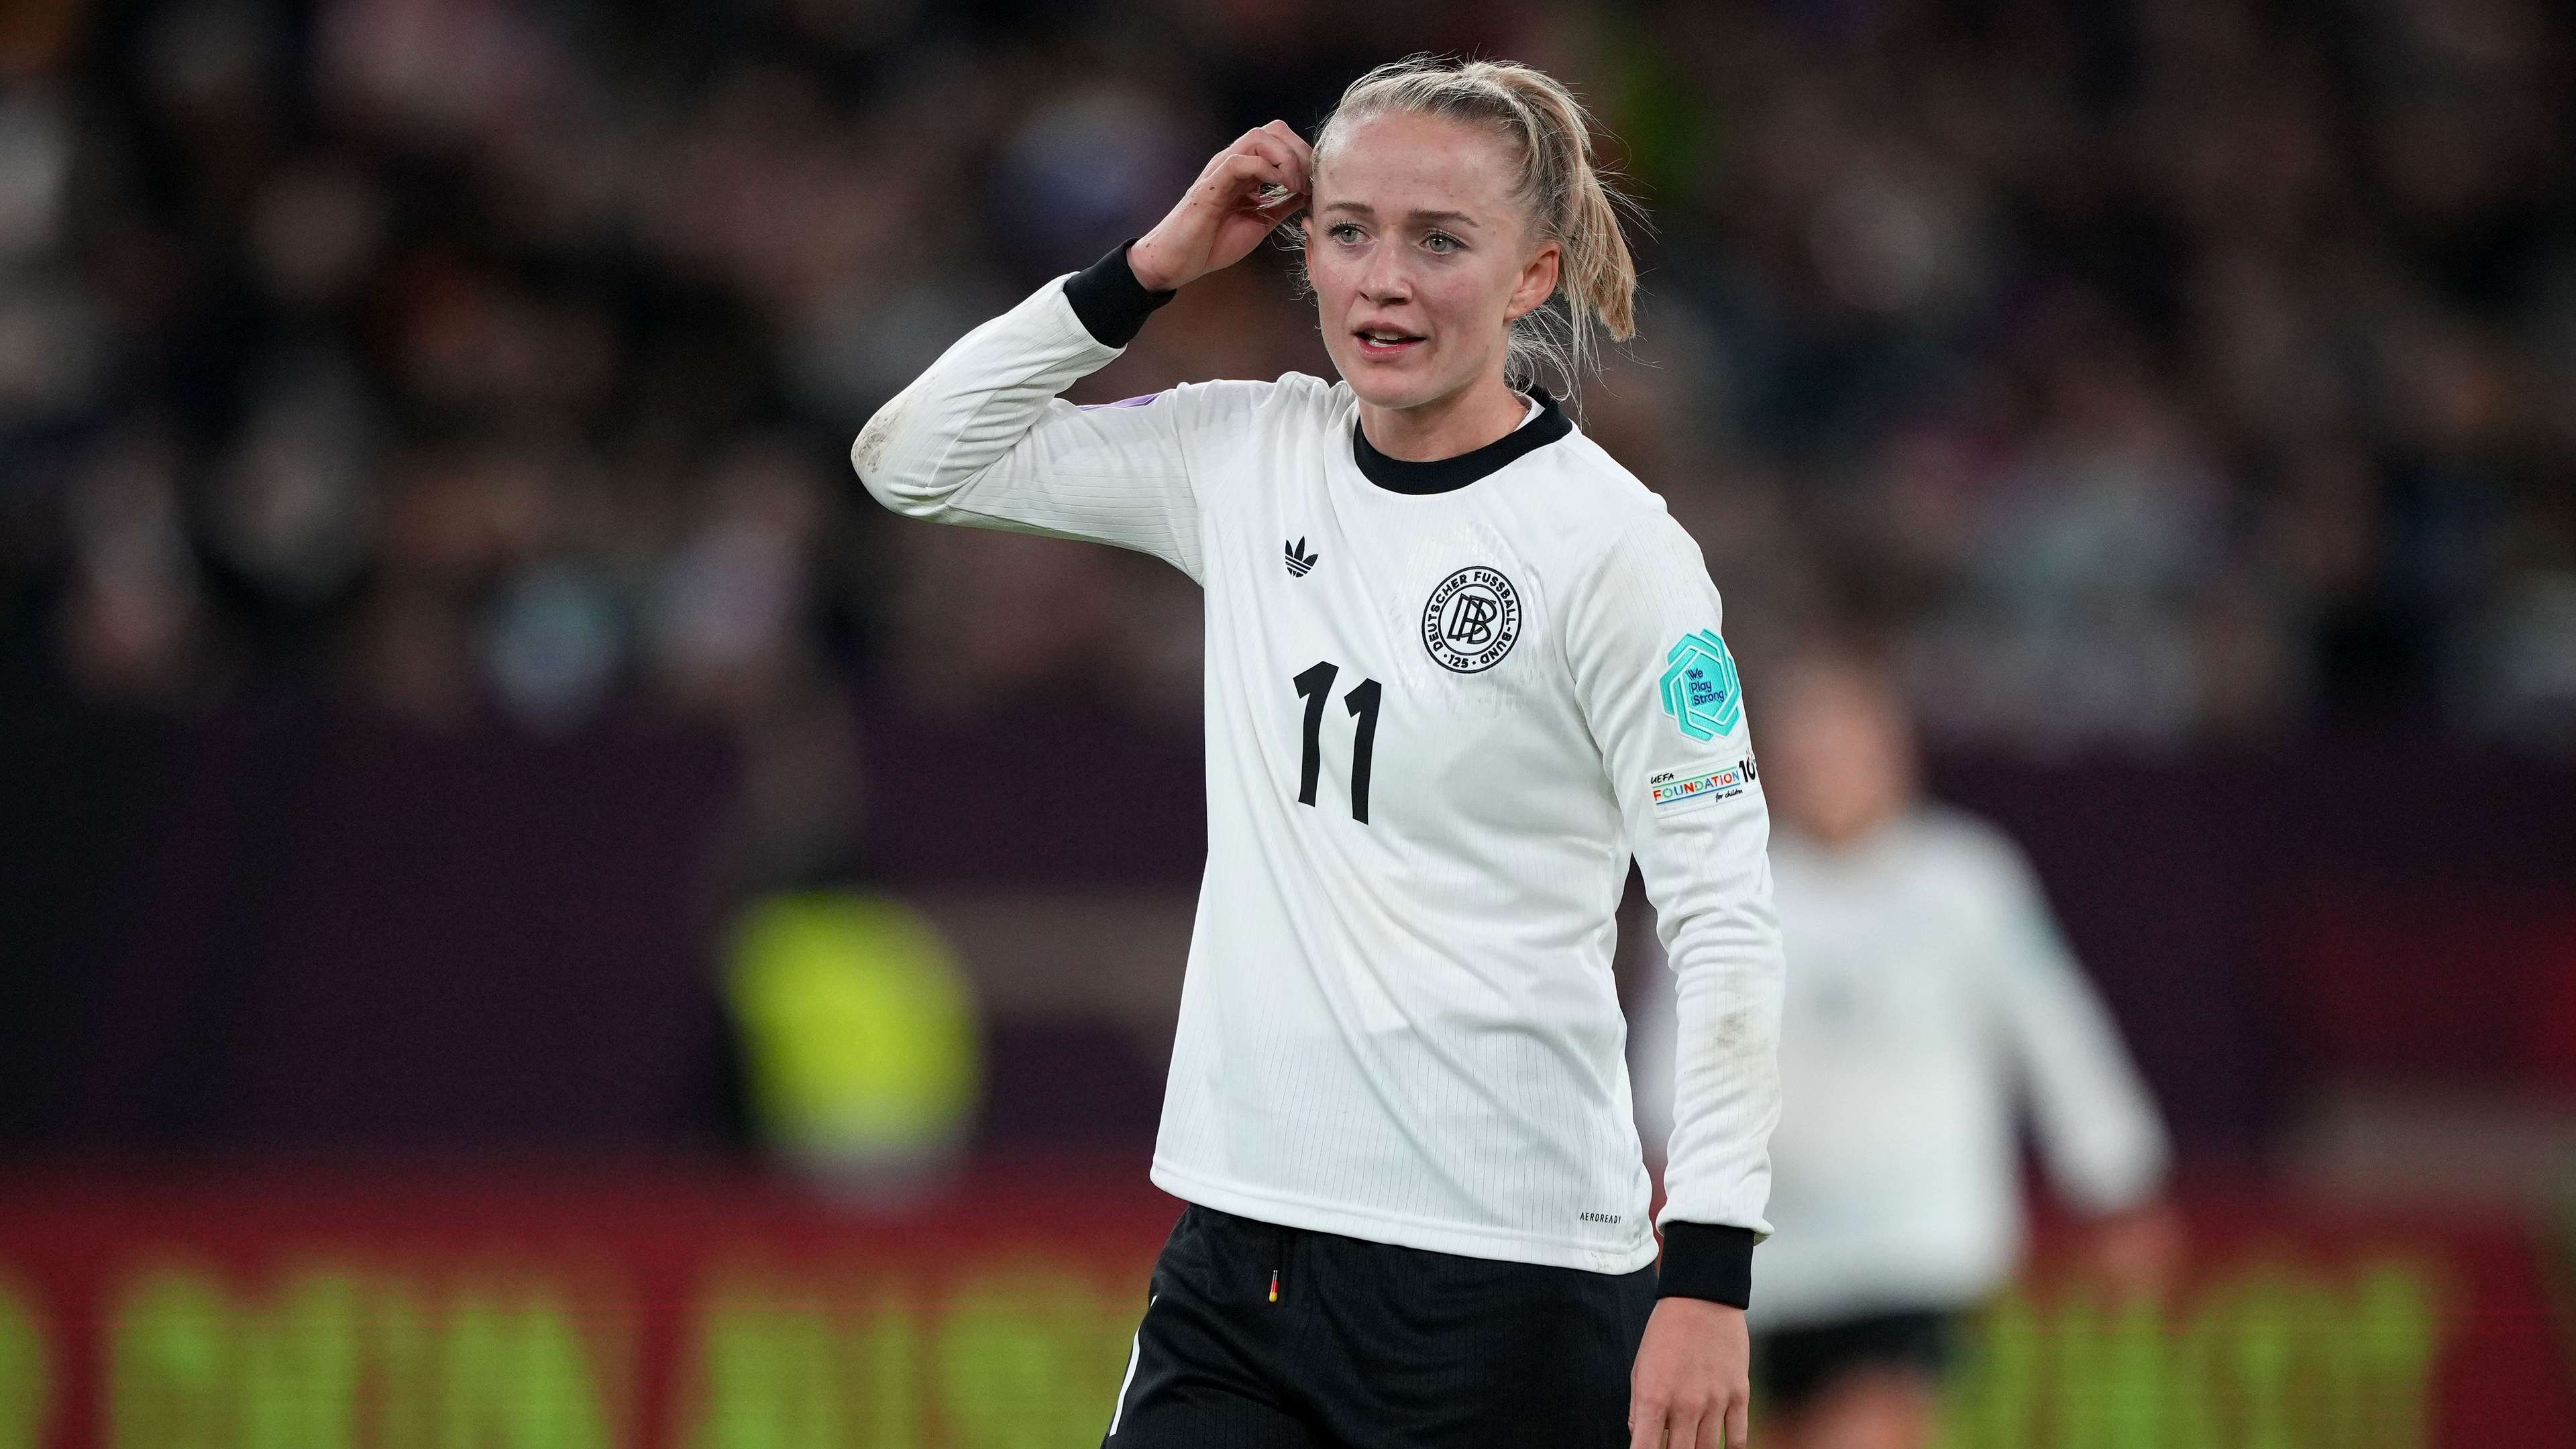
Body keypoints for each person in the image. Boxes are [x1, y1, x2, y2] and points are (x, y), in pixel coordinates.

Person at [853, 56, 1782, 1449]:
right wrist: (1149, 269)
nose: (1383, 281)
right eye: (1348, 232)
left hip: (1511, 1279)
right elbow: (915, 458)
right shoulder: (1246, 457)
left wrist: (1708, 1266)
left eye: (1440, 241)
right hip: (1246, 1252)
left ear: (1533, 276)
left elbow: (1724, 917)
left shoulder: (1614, 554)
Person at [1628, 652, 2181, 1449]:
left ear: (1895, 751)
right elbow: (1673, 1062)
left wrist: (2117, 1182)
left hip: (1916, 1249)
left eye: (1848, 747)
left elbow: (2056, 1030)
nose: (1829, 771)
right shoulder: (1728, 891)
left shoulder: (1965, 883)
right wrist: (1664, 1205)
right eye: (1807, 751)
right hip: (1769, 1260)